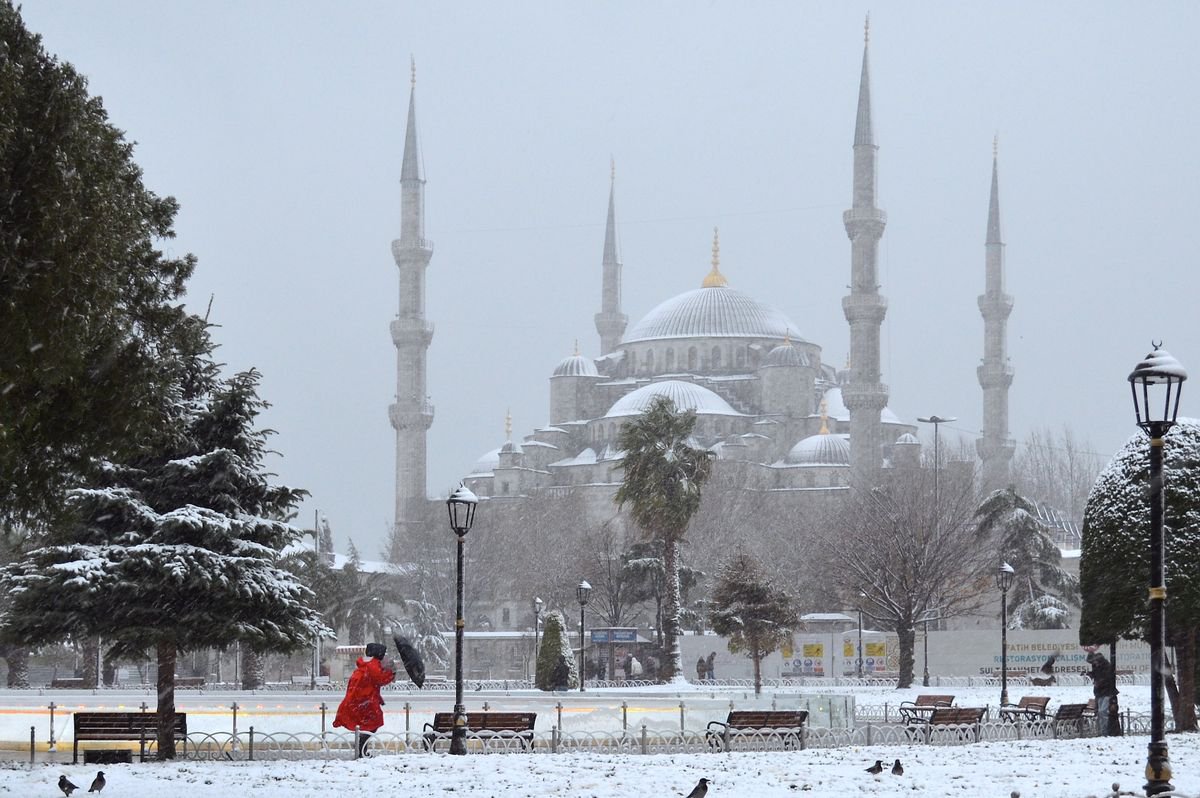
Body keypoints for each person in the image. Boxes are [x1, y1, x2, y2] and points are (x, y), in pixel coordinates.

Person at [334, 642, 396, 756]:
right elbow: (380, 679)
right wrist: (391, 673)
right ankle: (361, 750)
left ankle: (362, 750)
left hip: (360, 699)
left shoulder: (365, 664)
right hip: (366, 700)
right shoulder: (373, 664)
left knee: (366, 725)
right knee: (372, 723)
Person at [1085, 649, 1118, 736]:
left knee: (1103, 711)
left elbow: (1107, 678)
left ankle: (1105, 731)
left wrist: (1099, 682)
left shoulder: (1106, 666)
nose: (1093, 664)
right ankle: (1101, 731)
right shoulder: (1096, 666)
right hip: (1099, 692)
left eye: (1094, 662)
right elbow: (1096, 674)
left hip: (1107, 692)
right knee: (1100, 712)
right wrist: (1089, 674)